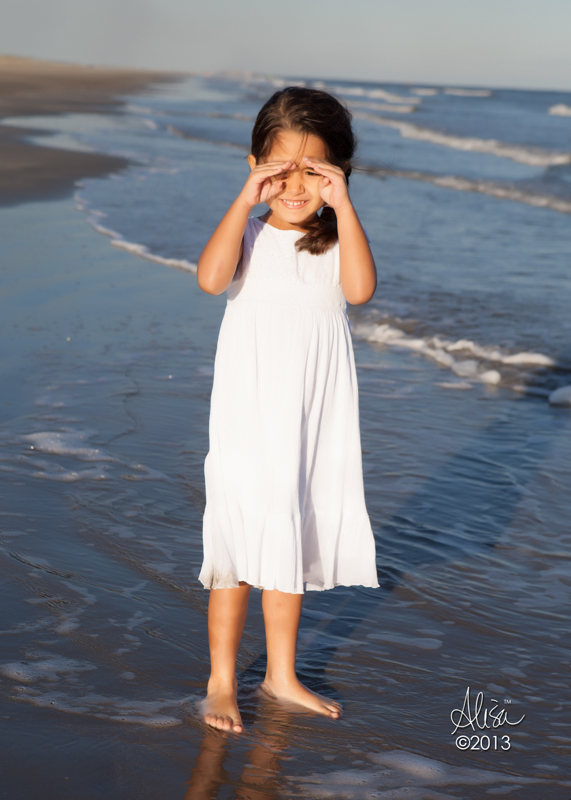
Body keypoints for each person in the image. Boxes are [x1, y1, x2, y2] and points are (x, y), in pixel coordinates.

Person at [196, 86, 379, 734]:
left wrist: (344, 206)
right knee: (236, 545)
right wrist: (245, 200)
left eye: (313, 170)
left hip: (308, 419)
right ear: (254, 167)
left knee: (288, 540)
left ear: (337, 174)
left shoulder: (335, 244)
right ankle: (220, 680)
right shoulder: (247, 232)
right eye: (280, 168)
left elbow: (359, 290)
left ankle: (279, 673)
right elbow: (210, 278)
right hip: (248, 417)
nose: (295, 184)